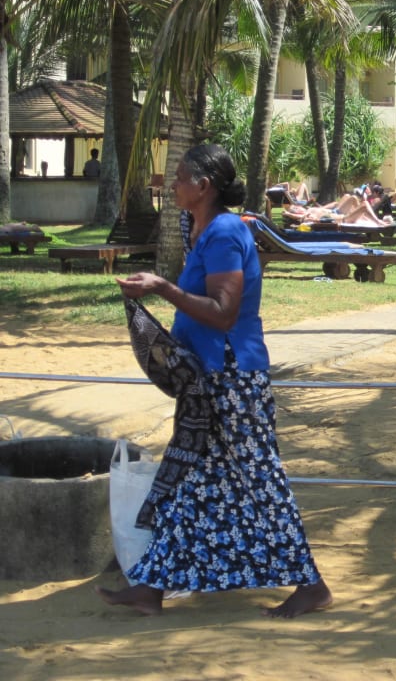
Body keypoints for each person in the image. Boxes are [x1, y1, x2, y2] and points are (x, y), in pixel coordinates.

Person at [97, 144, 332, 618]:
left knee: (259, 479)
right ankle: (151, 588)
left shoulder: (224, 232)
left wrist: (163, 288)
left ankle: (312, 585)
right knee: (189, 482)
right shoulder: (201, 228)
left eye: (180, 177)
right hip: (208, 380)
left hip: (232, 380)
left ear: (203, 187)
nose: (173, 185)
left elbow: (224, 314)